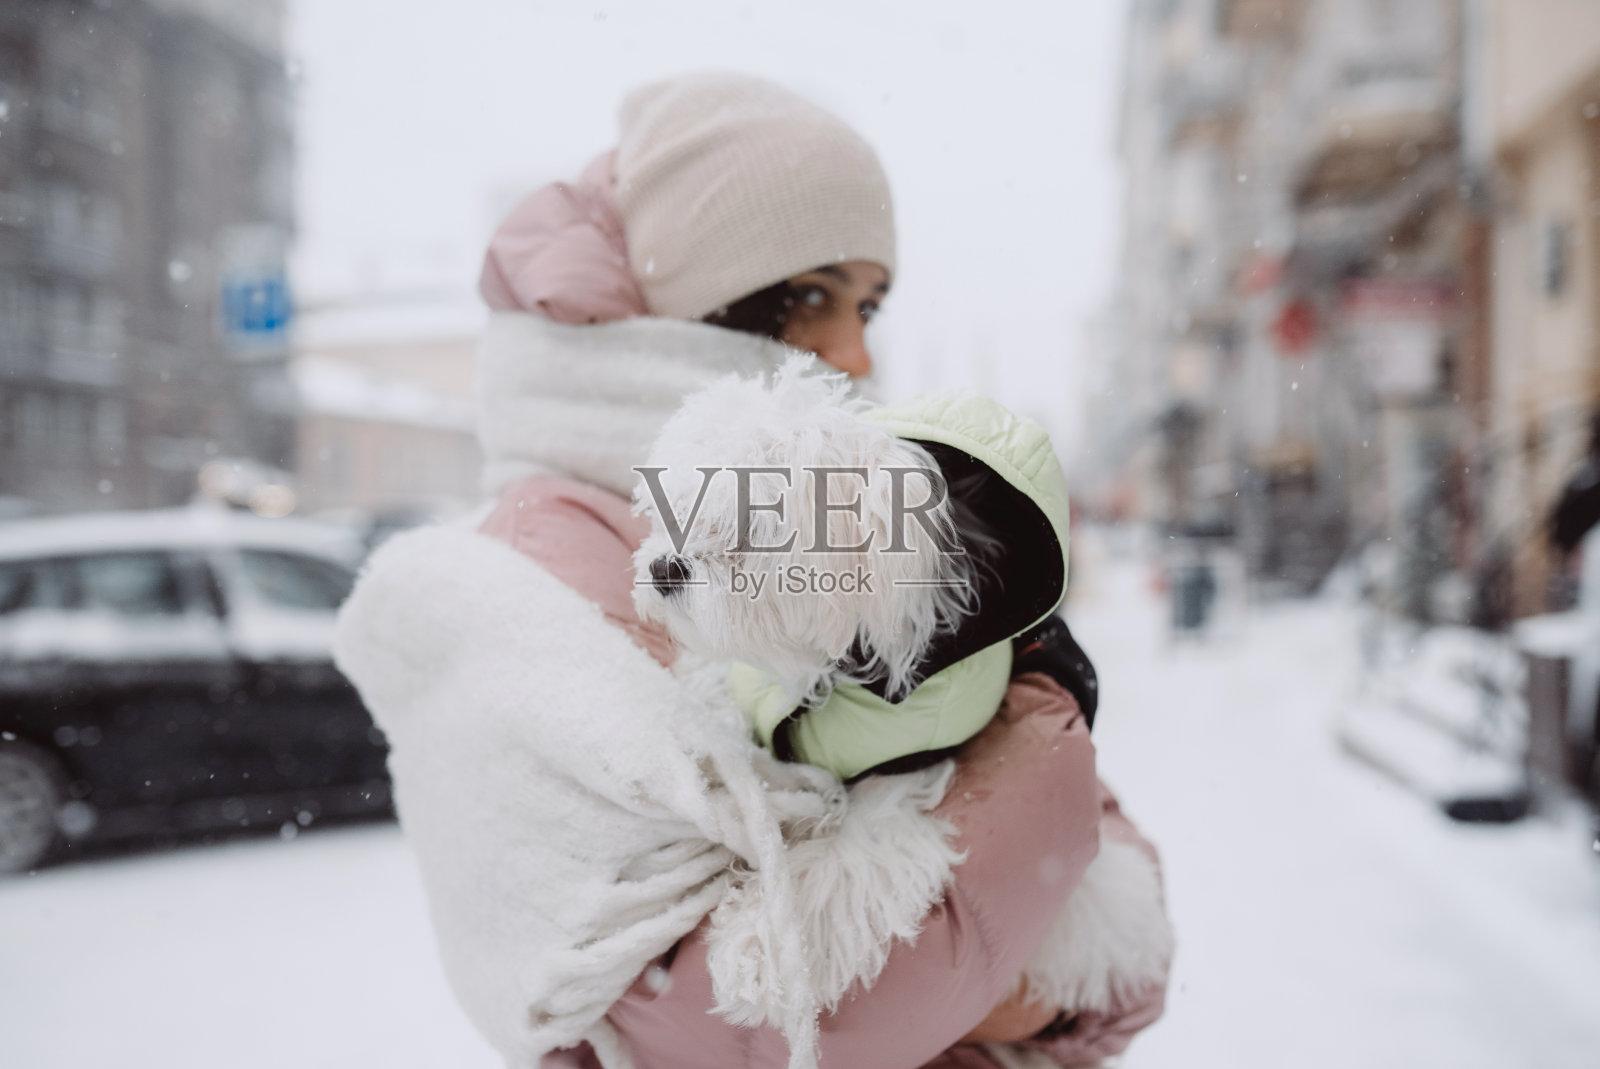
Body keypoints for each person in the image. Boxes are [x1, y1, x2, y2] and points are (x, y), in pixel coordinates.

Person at [336, 72, 1171, 1069]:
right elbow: (745, 1024)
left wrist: (1021, 964)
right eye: (812, 295)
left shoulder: (865, 527)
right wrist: (1042, 733)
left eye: (869, 305)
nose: (855, 351)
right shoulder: (511, 582)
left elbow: (1129, 954)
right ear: (683, 300)